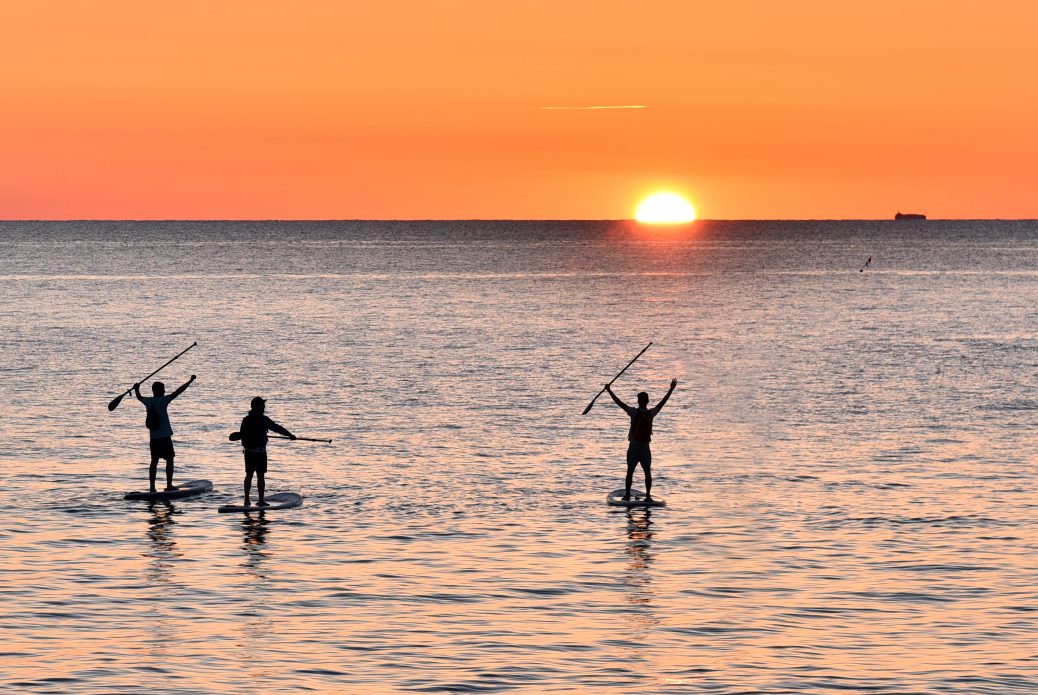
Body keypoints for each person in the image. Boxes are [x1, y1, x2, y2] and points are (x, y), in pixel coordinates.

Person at [606, 378, 677, 500]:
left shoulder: (633, 412)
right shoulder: (651, 413)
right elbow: (662, 402)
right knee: (647, 473)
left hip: (634, 448)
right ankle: (648, 496)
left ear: (638, 402)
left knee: (630, 472)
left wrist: (609, 390)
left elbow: (619, 402)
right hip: (645, 449)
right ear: (647, 401)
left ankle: (628, 495)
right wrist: (671, 389)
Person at [133, 376, 196, 492]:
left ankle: (152, 487)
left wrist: (136, 388)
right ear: (157, 391)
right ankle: (169, 485)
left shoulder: (149, 401)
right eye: (162, 389)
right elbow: (178, 391)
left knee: (154, 462)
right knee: (170, 460)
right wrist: (190, 381)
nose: (164, 391)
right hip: (165, 437)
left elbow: (139, 397)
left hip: (154, 438)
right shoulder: (163, 400)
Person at [239, 397, 295, 507]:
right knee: (260, 476)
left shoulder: (246, 420)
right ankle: (260, 500)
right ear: (257, 407)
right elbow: (277, 428)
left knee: (249, 475)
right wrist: (289, 435)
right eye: (262, 405)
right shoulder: (263, 419)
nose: (264, 407)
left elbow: (242, 436)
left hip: (249, 452)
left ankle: (247, 500)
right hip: (260, 453)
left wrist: (288, 434)